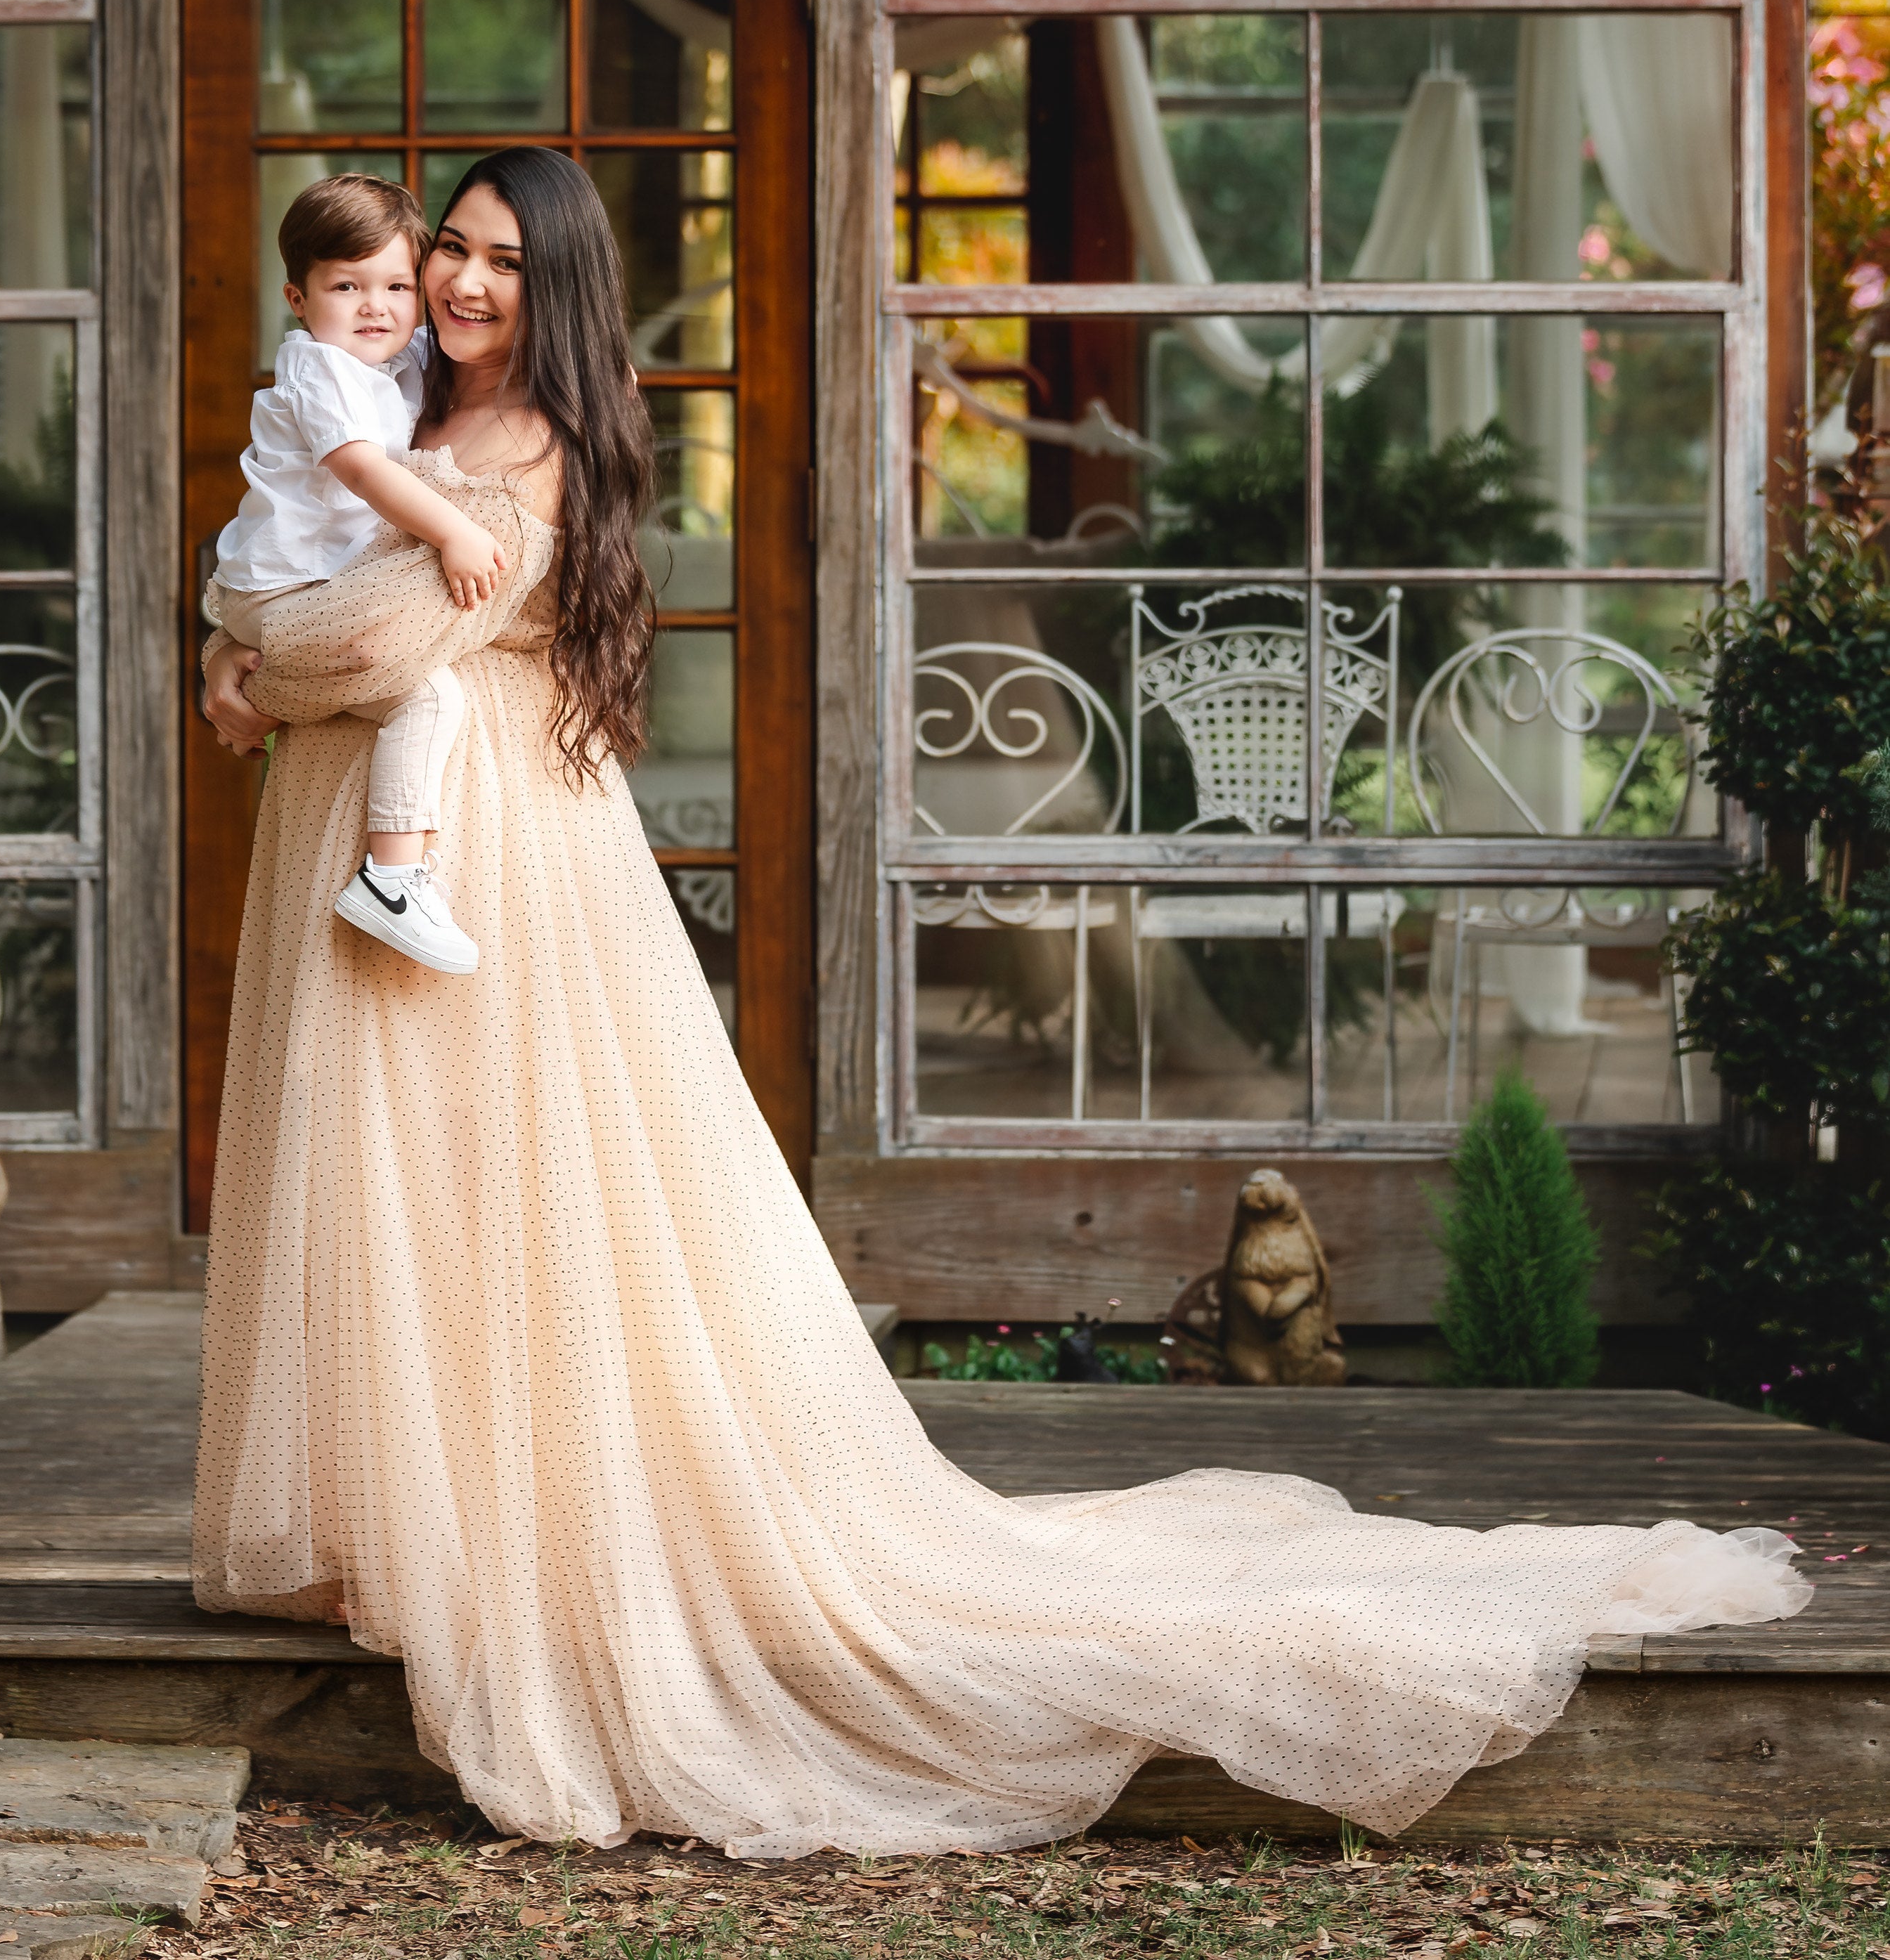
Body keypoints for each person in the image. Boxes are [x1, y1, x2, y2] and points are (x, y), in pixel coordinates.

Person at [193, 148, 1806, 1864]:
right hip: (387, 832)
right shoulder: (372, 405)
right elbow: (301, 576)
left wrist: (242, 658)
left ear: (564, 288)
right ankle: (402, 1527)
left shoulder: (526, 445)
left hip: (495, 855)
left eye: (503, 260)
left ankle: (522, 1545)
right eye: (448, 245)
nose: (458, 280)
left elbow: (362, 644)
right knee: (394, 1185)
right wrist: (242, 629)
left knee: (502, 1185)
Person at [207, 174, 505, 975]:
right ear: (298, 299)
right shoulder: (318, 369)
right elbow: (363, 471)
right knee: (431, 695)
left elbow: (476, 340)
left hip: (305, 593)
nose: (376, 306)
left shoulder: (386, 352)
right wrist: (455, 532)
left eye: (397, 286)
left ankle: (393, 867)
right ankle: (393, 877)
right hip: (285, 592)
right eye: (347, 286)